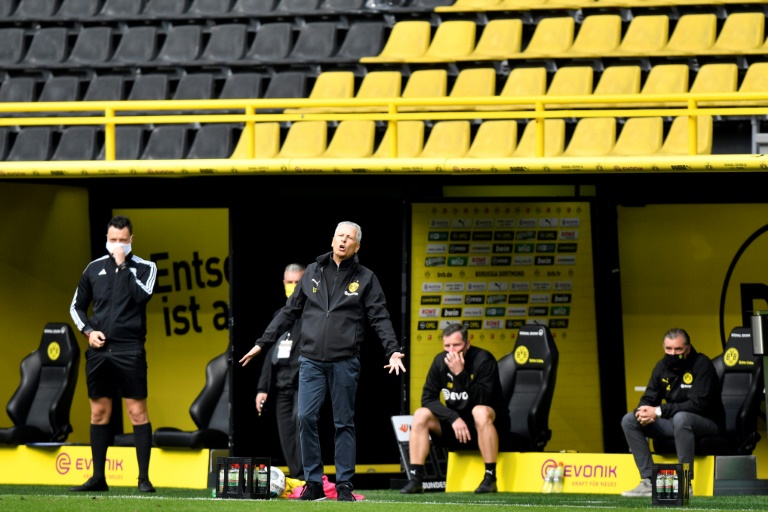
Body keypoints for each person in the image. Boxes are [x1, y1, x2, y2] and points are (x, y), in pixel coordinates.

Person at [240, 221, 406, 502]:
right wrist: (262, 342)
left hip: (345, 361)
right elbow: (289, 311)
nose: (343, 241)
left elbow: (379, 316)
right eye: (339, 236)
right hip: (311, 361)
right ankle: (313, 483)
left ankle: (344, 485)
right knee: (305, 417)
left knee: (344, 423)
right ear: (331, 241)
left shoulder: (366, 277)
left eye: (349, 238)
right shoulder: (313, 272)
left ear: (357, 246)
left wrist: (392, 350)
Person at [69, 215, 158, 493]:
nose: (117, 245)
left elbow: (142, 295)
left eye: (122, 240)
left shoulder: (145, 267)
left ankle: (143, 479)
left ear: (131, 240)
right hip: (99, 350)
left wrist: (123, 265)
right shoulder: (93, 268)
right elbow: (77, 306)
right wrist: (88, 331)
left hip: (129, 349)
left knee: (136, 412)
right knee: (99, 413)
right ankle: (98, 478)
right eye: (112, 240)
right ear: (106, 239)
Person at [400, 323, 508, 495]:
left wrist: (460, 374)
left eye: (456, 345)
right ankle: (415, 479)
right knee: (421, 414)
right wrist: (453, 417)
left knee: (479, 411)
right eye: (447, 346)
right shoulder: (440, 361)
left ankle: (490, 477)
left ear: (467, 344)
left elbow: (484, 399)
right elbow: (427, 398)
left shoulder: (484, 360)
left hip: (488, 426)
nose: (451, 351)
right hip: (457, 427)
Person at [621, 328, 725, 497]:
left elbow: (698, 404)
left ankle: (684, 483)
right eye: (668, 349)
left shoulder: (702, 364)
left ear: (688, 348)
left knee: (681, 418)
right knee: (629, 420)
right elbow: (649, 397)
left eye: (678, 349)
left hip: (708, 423)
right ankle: (649, 481)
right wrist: (643, 411)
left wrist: (659, 410)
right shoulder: (661, 366)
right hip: (676, 423)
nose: (672, 353)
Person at [255, 263, 305, 478]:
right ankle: (296, 477)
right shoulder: (281, 314)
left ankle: (306, 476)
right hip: (281, 382)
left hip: (303, 380)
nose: (292, 286)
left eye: (297, 282)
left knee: (300, 421)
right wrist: (262, 387)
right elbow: (269, 351)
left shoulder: (313, 313)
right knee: (286, 431)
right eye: (289, 282)